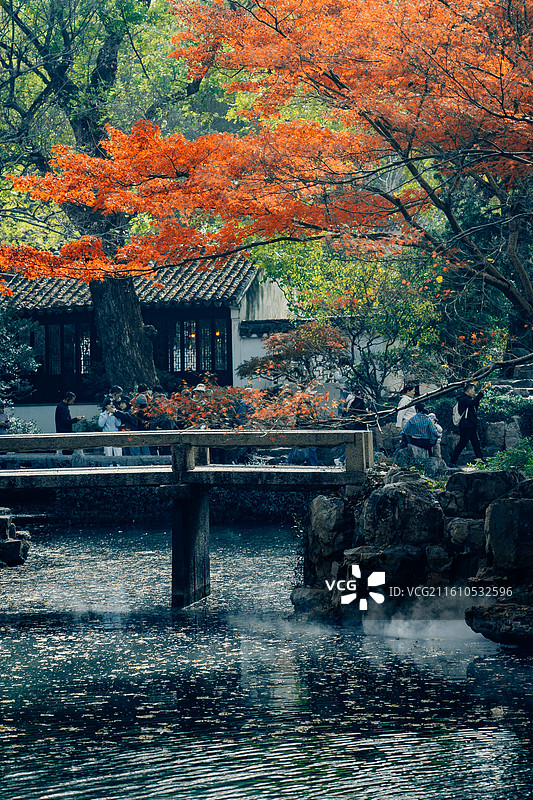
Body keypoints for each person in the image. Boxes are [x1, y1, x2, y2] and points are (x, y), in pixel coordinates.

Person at [450, 383, 485, 467]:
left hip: (470, 424)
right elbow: (473, 403)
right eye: (473, 390)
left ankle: (480, 459)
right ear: (468, 390)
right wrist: (480, 394)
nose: (473, 392)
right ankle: (452, 461)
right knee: (462, 443)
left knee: (476, 443)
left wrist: (478, 396)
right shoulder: (463, 399)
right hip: (466, 425)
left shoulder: (467, 398)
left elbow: (474, 405)